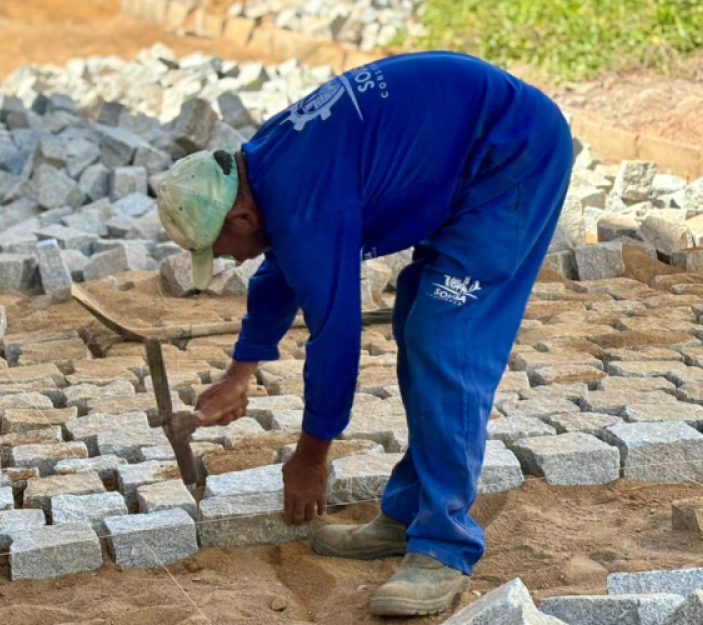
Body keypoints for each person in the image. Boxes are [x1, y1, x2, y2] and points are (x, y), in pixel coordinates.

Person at [158, 51, 573, 617]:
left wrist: (310, 457)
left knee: (445, 335)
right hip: (461, 155)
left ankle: (445, 547)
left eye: (218, 250)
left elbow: (335, 340)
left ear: (239, 220)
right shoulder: (261, 169)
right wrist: (240, 373)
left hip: (511, 157)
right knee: (414, 317)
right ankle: (408, 515)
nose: (225, 261)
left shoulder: (303, 202)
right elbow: (281, 269)